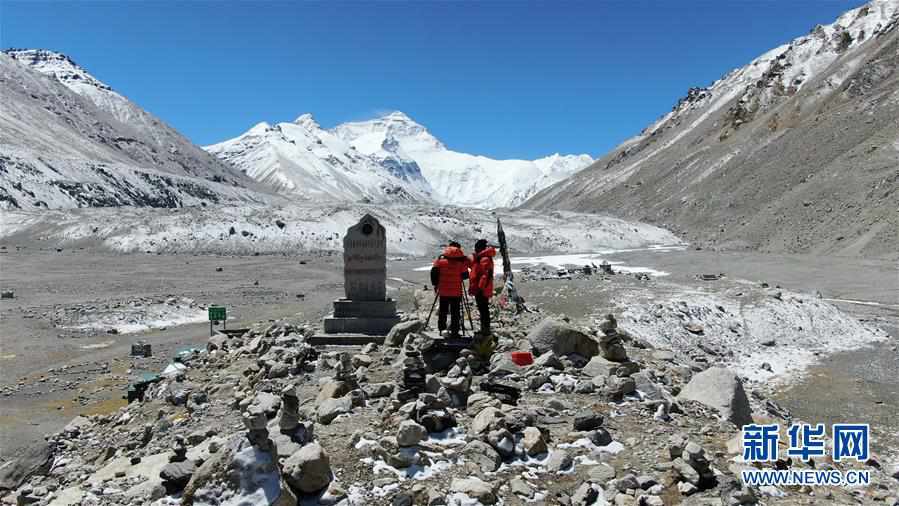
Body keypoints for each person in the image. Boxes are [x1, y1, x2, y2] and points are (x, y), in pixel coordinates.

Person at [431, 241, 471, 338]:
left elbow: (433, 273)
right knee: (455, 312)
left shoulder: (440, 260)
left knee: (443, 311)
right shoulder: (460, 263)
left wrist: (436, 285)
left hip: (443, 291)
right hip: (456, 292)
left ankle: (442, 329)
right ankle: (455, 331)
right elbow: (465, 276)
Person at [468, 239, 496, 336]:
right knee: (483, 309)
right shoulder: (483, 258)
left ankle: (485, 330)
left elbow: (484, 275)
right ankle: (484, 329)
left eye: (476, 248)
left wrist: (480, 288)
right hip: (483, 288)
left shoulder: (484, 259)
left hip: (482, 290)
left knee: (483, 309)